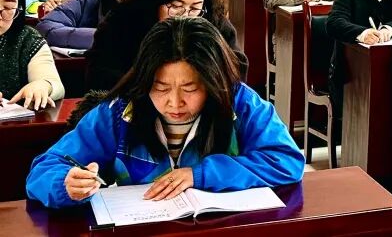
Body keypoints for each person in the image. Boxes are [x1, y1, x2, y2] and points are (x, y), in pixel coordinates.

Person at [26, 17, 304, 209]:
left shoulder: (239, 103)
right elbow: (44, 169)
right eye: (160, 88)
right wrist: (65, 184)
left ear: (213, 82)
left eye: (190, 88)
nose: (174, 103)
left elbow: (286, 160)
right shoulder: (119, 113)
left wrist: (201, 174)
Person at [85, 0, 243, 92]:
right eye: (176, 6)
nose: (184, 16)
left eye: (195, 8)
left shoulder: (213, 20)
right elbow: (100, 73)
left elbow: (237, 68)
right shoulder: (122, 20)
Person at [0, 0, 64, 110]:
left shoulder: (27, 39)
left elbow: (55, 84)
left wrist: (43, 85)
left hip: (16, 123)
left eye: (8, 7)